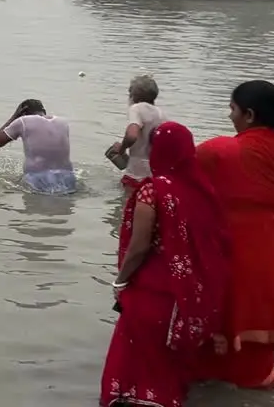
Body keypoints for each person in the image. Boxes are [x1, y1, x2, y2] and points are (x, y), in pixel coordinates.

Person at [100, 121, 230, 407]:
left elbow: (139, 247)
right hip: (189, 298)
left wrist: (120, 281)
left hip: (152, 292)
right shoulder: (204, 192)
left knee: (133, 371)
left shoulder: (153, 190)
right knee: (168, 373)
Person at [192, 80, 274, 390]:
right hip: (273, 267)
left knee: (212, 361)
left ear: (249, 114)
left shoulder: (221, 151)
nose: (229, 115)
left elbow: (175, 175)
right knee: (256, 358)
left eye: (232, 109)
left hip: (232, 263)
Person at [0, 98, 76, 194]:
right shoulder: (63, 122)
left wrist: (14, 116)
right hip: (68, 178)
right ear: (44, 111)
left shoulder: (23, 121)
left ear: (23, 113)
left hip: (37, 181)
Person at [108, 74, 166, 193]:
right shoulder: (161, 114)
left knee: (126, 208)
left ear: (133, 94)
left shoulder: (136, 109)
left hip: (136, 173)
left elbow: (132, 135)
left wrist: (122, 149)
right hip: (154, 174)